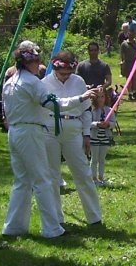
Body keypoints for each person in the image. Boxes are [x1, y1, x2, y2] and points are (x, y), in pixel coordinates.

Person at [2, 42, 98, 239]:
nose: (39, 64)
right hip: (30, 131)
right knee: (43, 179)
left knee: (22, 181)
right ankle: (52, 229)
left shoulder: (10, 81)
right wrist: (80, 99)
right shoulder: (32, 82)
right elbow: (55, 105)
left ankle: (13, 227)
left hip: (14, 132)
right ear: (28, 62)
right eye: (36, 60)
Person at [43, 52, 103, 228]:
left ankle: (94, 217)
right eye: (63, 73)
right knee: (52, 174)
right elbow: (54, 104)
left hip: (73, 129)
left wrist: (86, 134)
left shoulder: (78, 81)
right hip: (50, 130)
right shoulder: (44, 83)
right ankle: (56, 218)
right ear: (55, 68)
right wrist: (80, 98)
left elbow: (86, 110)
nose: (66, 76)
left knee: (83, 173)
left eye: (69, 73)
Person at [89, 86, 116, 186]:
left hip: (105, 137)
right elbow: (88, 123)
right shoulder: (92, 110)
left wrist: (108, 124)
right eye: (98, 97)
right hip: (94, 138)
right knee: (94, 159)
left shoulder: (109, 110)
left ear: (106, 97)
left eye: (102, 96)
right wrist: (97, 124)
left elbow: (113, 122)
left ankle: (101, 178)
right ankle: (93, 178)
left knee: (102, 159)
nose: (100, 99)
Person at [120, 31, 136, 99]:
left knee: (135, 77)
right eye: (129, 34)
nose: (131, 35)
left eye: (132, 34)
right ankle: (129, 93)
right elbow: (122, 54)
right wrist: (122, 61)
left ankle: (134, 91)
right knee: (128, 78)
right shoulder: (124, 44)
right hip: (127, 62)